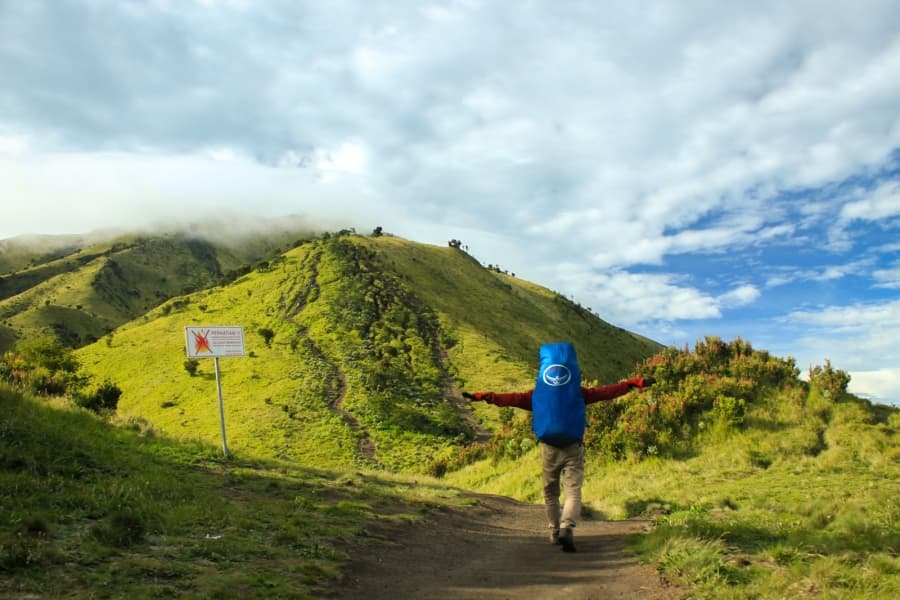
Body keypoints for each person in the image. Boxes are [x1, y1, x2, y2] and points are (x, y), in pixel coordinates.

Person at [463, 341, 654, 553]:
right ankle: (567, 527)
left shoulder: (536, 394)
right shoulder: (579, 392)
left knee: (550, 491)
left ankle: (554, 531)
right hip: (573, 445)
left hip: (549, 448)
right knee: (573, 490)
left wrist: (483, 396)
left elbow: (509, 399)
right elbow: (607, 392)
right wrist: (634, 383)